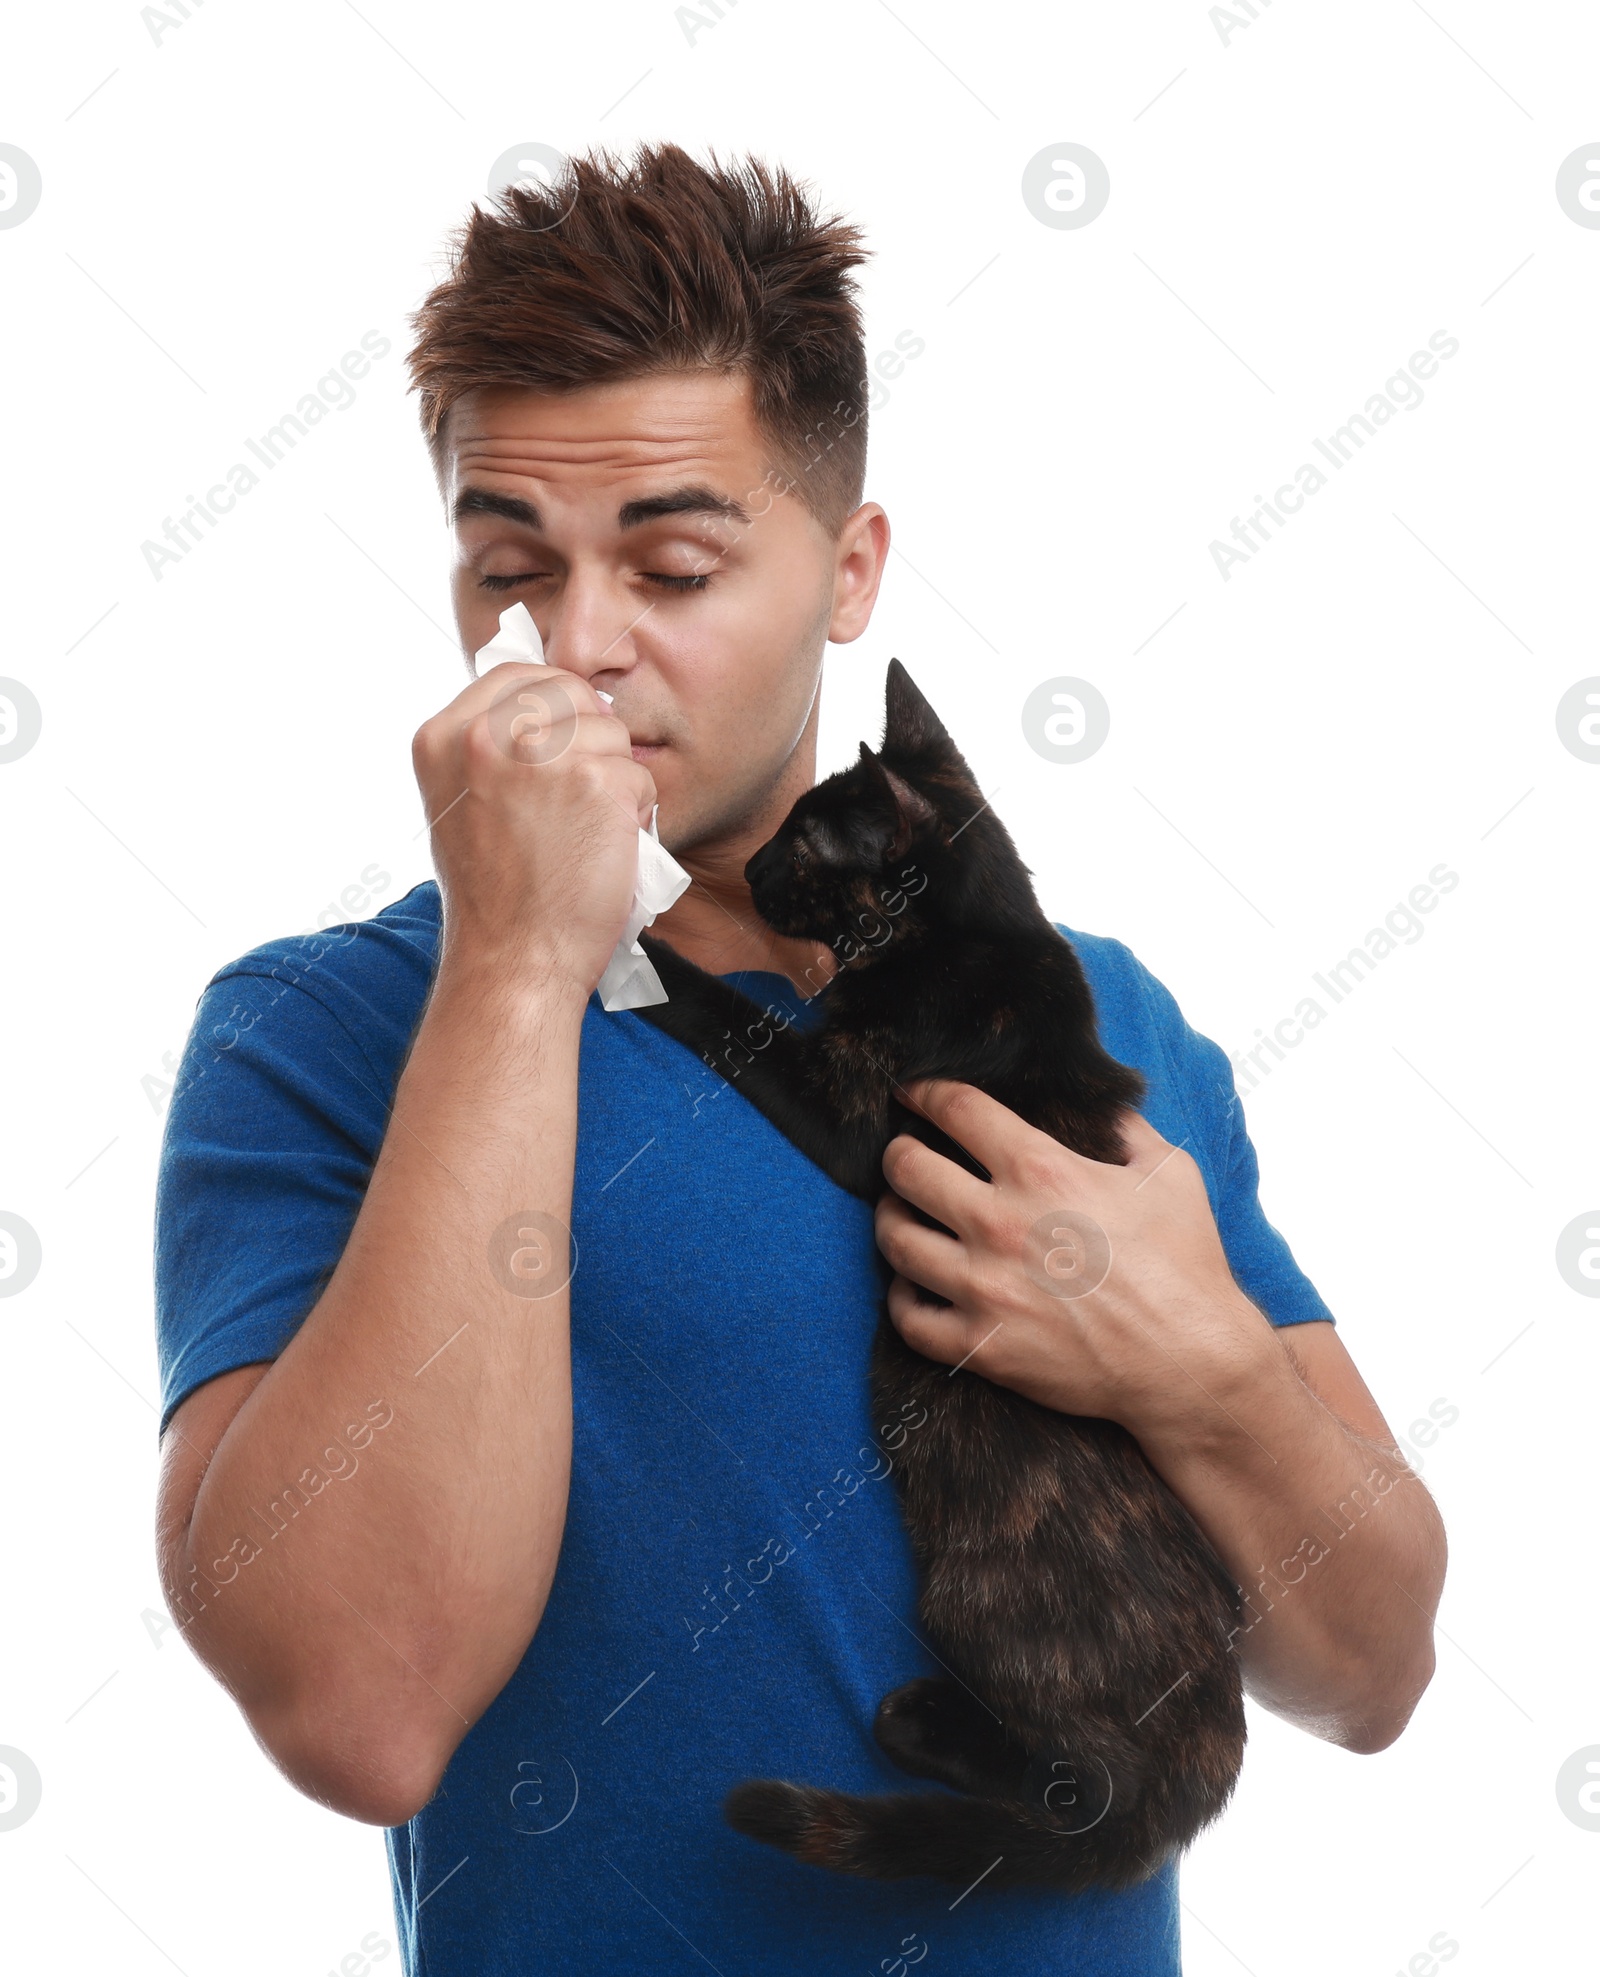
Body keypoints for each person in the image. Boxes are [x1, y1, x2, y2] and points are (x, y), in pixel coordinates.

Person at [153, 143, 1446, 1976]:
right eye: (510, 570)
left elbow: (1373, 1669)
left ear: (850, 572)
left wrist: (1210, 1374)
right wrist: (520, 960)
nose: (580, 647)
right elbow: (361, 1706)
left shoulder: (1109, 1021)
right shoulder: (327, 1035)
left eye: (674, 564)